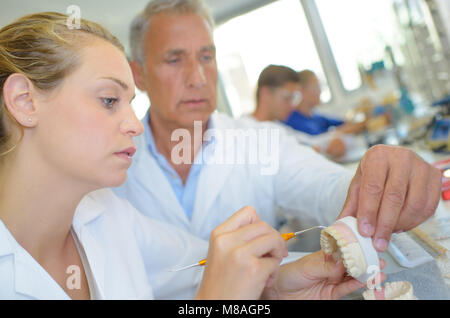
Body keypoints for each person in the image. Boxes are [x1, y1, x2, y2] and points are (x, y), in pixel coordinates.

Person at [0, 11, 384, 301]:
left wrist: (279, 283)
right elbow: (212, 286)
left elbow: (204, 267)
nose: (133, 123)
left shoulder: (105, 217)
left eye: (207, 57)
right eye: (109, 100)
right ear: (24, 101)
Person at [115, 0, 441, 255]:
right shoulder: (110, 169)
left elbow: (322, 185)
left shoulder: (258, 140)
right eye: (174, 60)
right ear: (138, 74)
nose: (198, 77)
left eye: (206, 57)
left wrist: (375, 183)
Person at [249, 64, 348, 159]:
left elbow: (310, 142)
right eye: (287, 98)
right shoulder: (246, 132)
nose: (292, 106)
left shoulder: (279, 127)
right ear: (265, 93)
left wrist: (333, 141)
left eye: (294, 98)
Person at [284, 70, 366, 135]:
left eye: (319, 87)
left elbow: (343, 123)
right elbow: (320, 140)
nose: (319, 91)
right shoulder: (293, 121)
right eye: (315, 87)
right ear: (301, 91)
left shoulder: (316, 116)